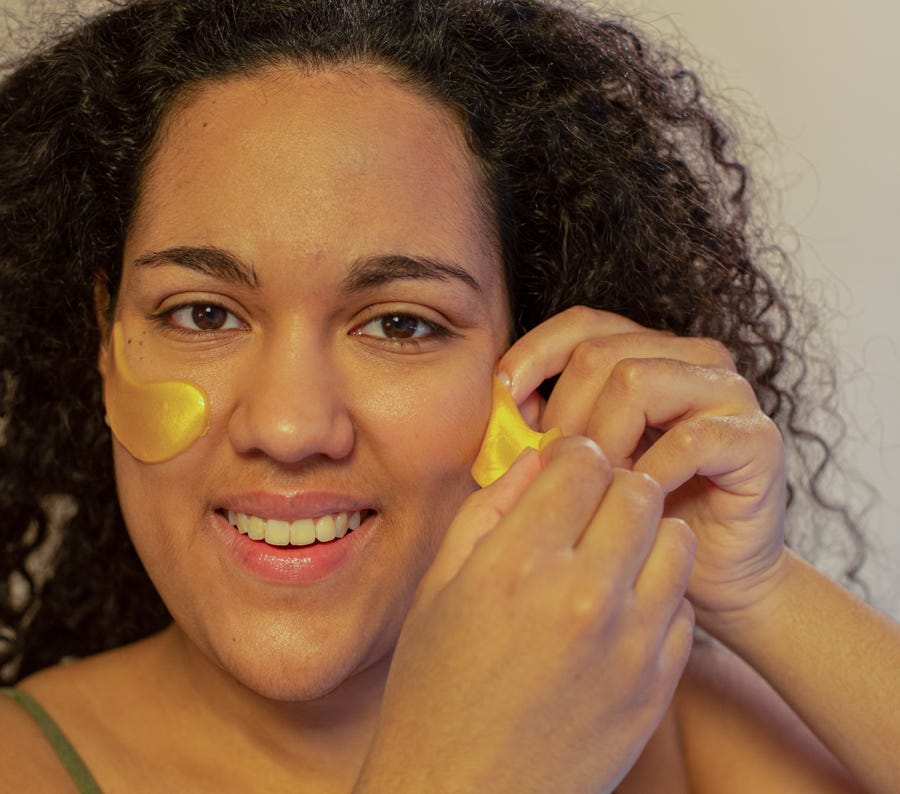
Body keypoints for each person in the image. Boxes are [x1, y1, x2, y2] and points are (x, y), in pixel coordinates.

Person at [0, 0, 898, 791]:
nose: (288, 426)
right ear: (104, 351)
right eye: (202, 313)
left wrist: (760, 588)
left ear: (540, 367)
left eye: (399, 325)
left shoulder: (663, 719)